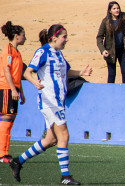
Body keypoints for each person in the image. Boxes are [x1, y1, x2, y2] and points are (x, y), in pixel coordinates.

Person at [9, 24, 92, 185]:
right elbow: (28, 72)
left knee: (51, 140)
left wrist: (80, 73)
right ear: (54, 37)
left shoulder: (59, 54)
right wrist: (34, 82)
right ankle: (65, 176)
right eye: (64, 37)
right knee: (64, 135)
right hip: (50, 101)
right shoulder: (43, 52)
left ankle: (17, 161)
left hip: (57, 101)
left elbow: (65, 71)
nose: (66, 40)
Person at [0, 21, 26, 163]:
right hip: (6, 88)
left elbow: (17, 74)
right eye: (23, 35)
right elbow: (6, 71)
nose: (25, 38)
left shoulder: (17, 52)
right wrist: (12, 89)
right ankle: (2, 154)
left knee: (10, 120)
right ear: (16, 36)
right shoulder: (8, 50)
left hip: (13, 89)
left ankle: (5, 152)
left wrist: (20, 91)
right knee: (6, 119)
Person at [96, 1, 125, 84]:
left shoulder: (124, 17)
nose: (117, 10)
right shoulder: (105, 21)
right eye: (114, 9)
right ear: (110, 11)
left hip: (123, 50)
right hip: (110, 51)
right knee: (112, 74)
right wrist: (103, 50)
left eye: (118, 8)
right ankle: (110, 94)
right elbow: (99, 37)